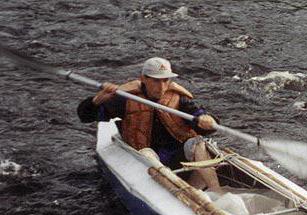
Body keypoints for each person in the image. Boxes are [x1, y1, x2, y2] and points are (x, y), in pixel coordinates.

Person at [77, 57, 220, 190]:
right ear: (143, 79)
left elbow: (200, 119)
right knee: (147, 153)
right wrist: (95, 101)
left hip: (177, 156)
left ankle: (216, 191)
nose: (162, 87)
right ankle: (177, 191)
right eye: (156, 81)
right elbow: (85, 116)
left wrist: (207, 120)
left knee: (199, 143)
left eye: (165, 81)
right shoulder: (126, 99)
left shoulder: (179, 99)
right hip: (146, 159)